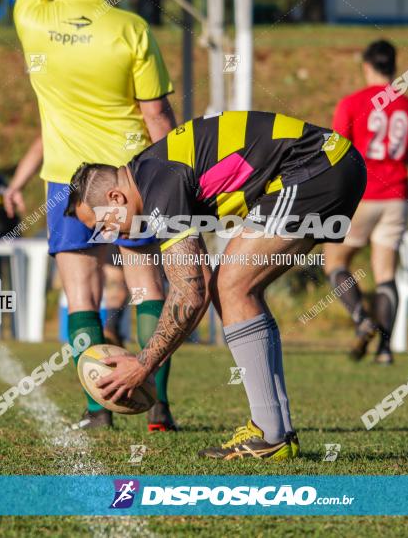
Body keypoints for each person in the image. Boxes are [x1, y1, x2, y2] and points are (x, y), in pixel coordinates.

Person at [65, 111, 367, 460]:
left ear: (116, 198)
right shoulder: (151, 174)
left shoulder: (158, 183)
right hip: (324, 164)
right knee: (233, 288)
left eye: (103, 224)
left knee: (234, 287)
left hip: (316, 166)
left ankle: (271, 434)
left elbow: (191, 293)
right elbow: (198, 285)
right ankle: (274, 431)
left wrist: (143, 364)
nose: (109, 234)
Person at [10, 0, 178, 431]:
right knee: (148, 287)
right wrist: (176, 176)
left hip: (67, 178)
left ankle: (96, 410)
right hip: (131, 179)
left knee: (81, 296)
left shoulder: (33, 16)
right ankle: (158, 407)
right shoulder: (130, 28)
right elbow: (156, 116)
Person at [323, 40, 408, 364]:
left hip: (362, 195)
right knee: (385, 274)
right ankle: (384, 349)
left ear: (367, 66)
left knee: (335, 262)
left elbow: (336, 153)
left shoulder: (352, 104)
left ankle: (361, 318)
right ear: (394, 67)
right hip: (396, 196)